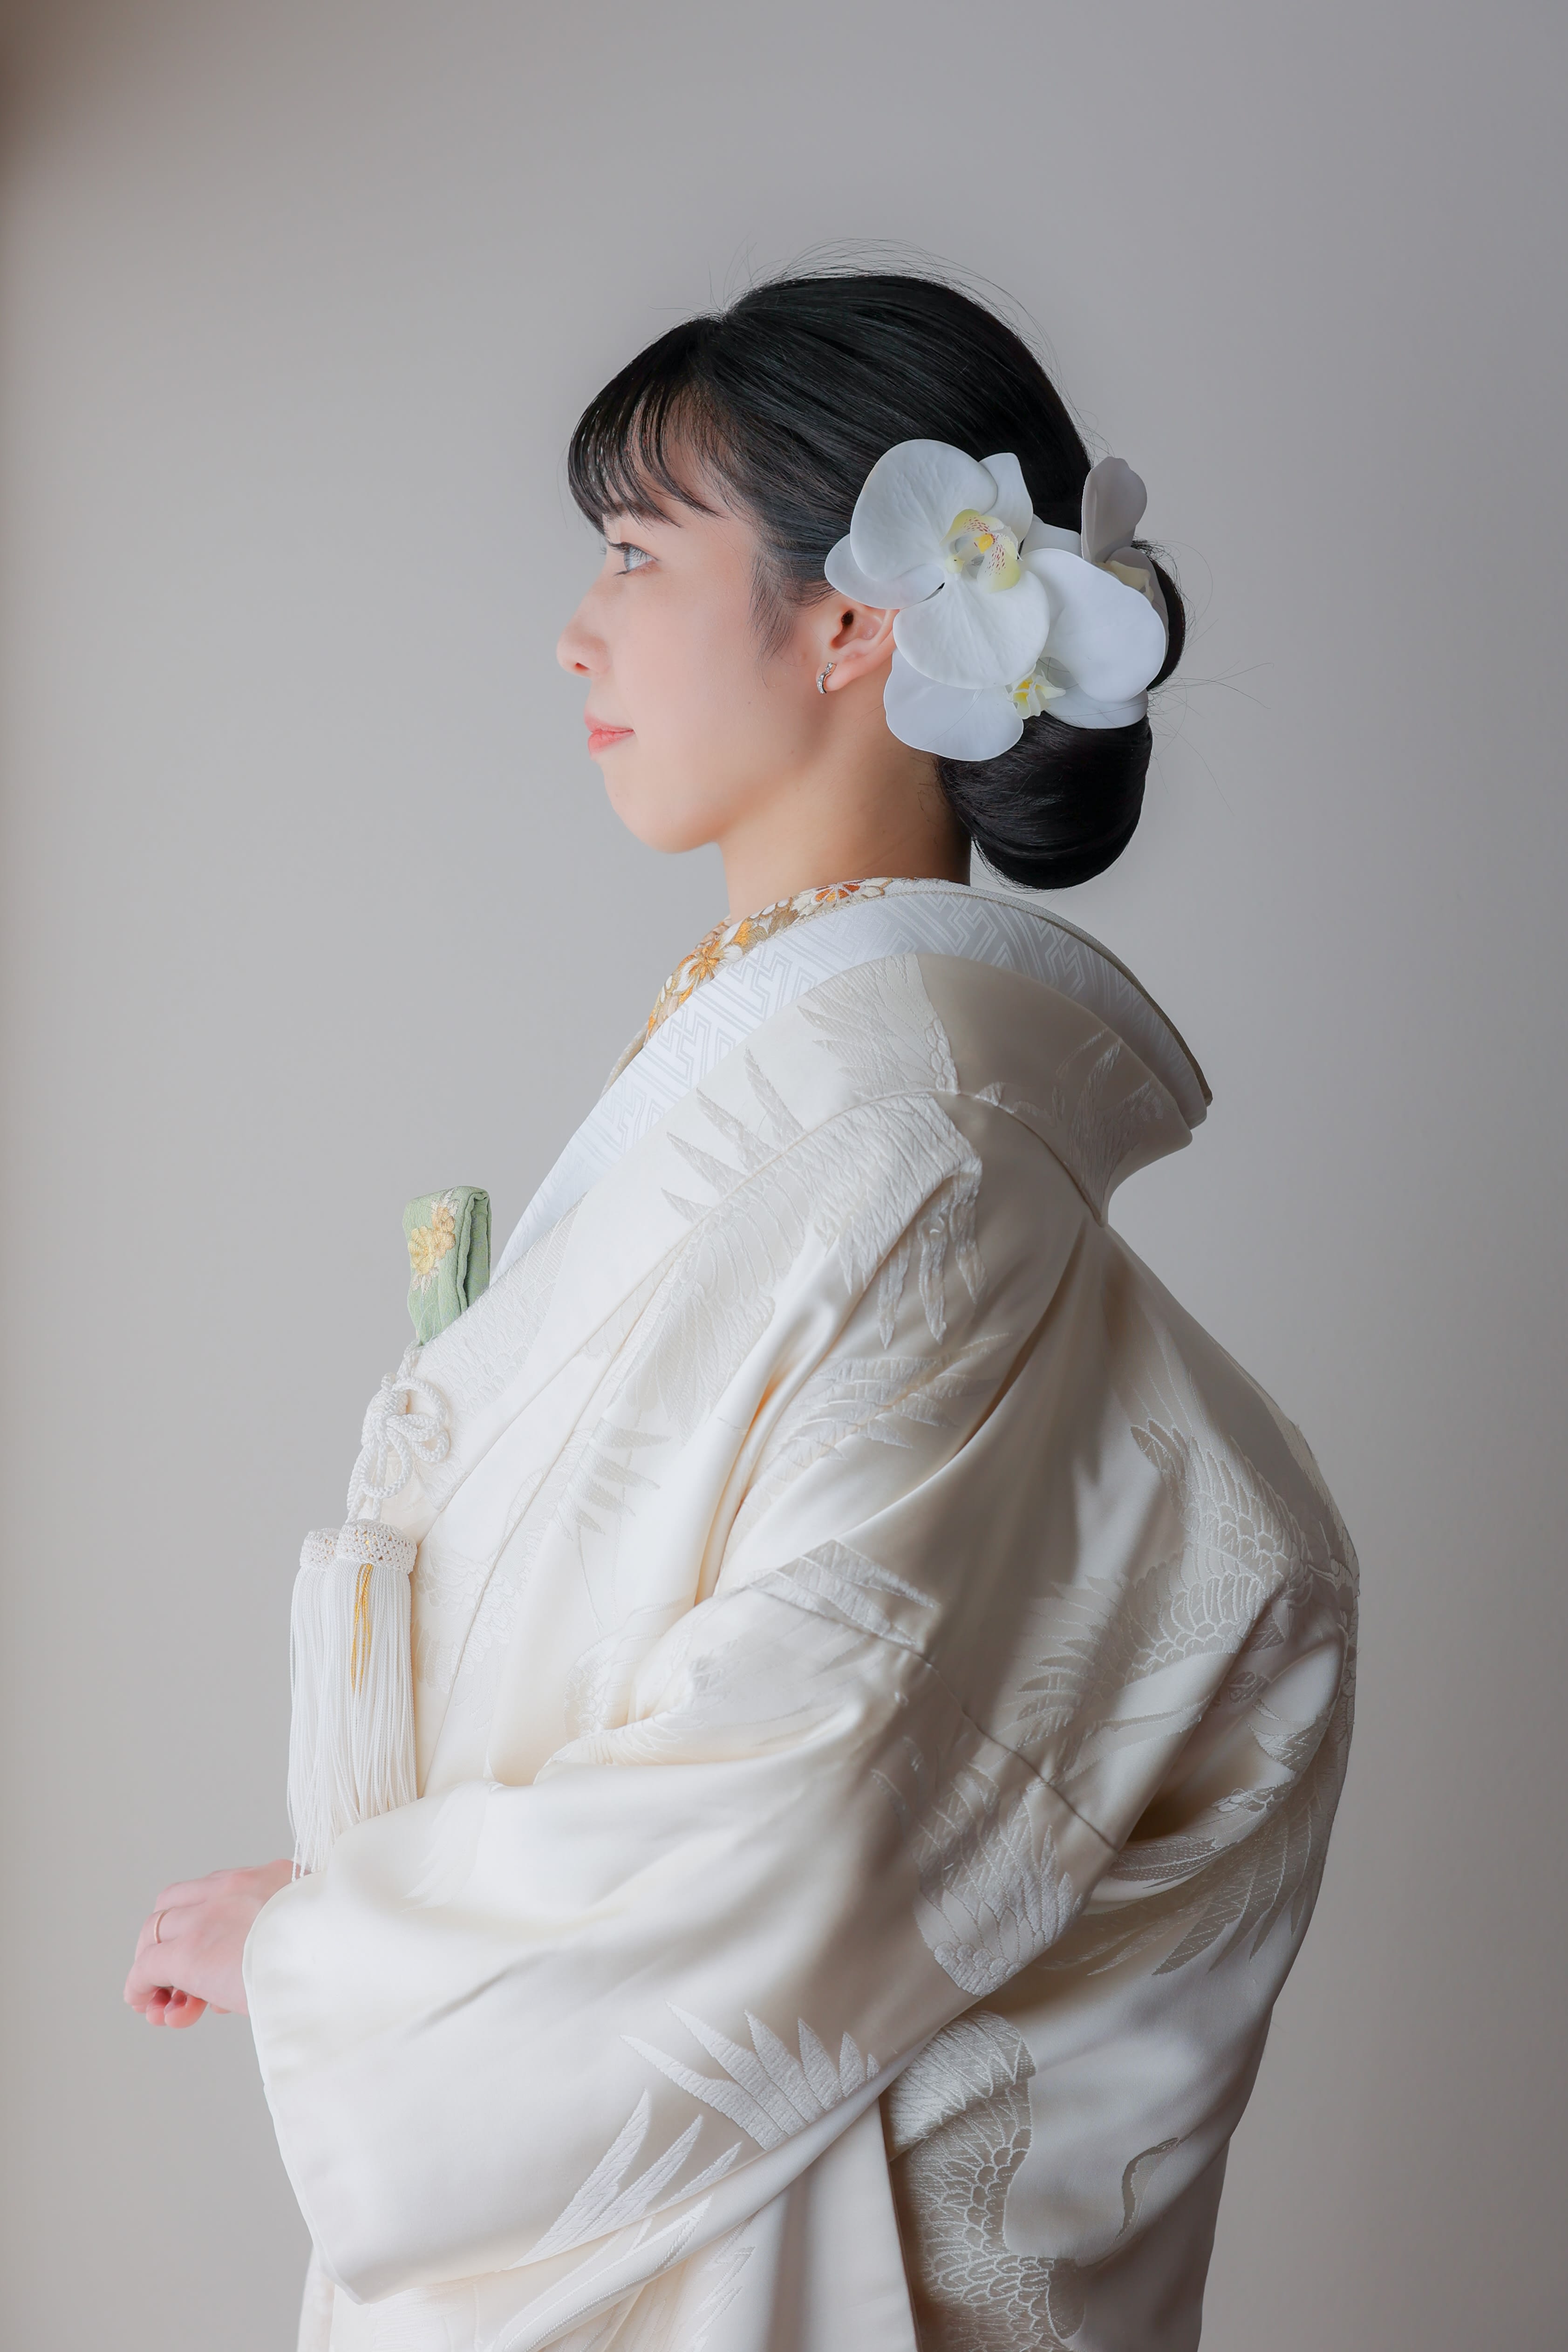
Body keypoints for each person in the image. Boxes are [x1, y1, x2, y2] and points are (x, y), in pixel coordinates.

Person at [125, 272, 1357, 2352]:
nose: (574, 630)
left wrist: (342, 1951)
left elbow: (807, 1789)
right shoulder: (834, 1109)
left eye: (633, 554)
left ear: (855, 620)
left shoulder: (917, 1153)